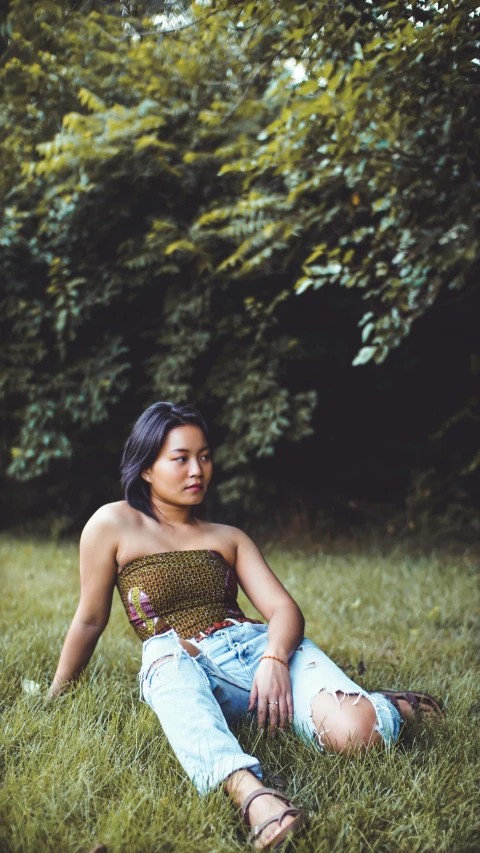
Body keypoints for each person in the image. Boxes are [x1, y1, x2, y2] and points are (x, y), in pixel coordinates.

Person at [50, 402, 444, 851]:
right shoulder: (112, 523)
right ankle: (250, 792)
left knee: (359, 736)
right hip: (188, 665)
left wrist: (275, 659)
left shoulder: (228, 536)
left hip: (258, 652)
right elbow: (90, 618)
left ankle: (385, 706)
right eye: (180, 458)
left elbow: (285, 611)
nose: (197, 469)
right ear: (145, 468)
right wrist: (57, 692)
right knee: (158, 650)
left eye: (205, 456)